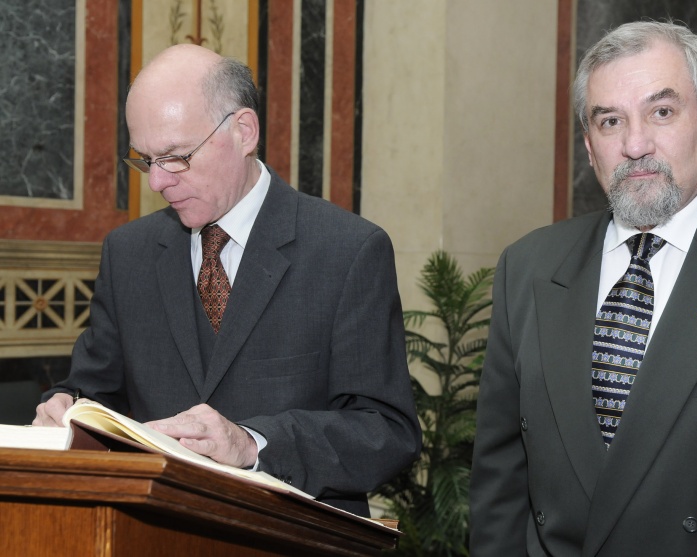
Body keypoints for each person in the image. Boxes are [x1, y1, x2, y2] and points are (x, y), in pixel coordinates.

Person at [34, 44, 421, 516]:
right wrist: (65, 408)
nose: (157, 182)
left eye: (176, 157)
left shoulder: (348, 250)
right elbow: (94, 393)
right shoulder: (128, 253)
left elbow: (386, 431)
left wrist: (254, 443)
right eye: (145, 160)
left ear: (244, 131)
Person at [470, 20, 697, 556]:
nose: (635, 143)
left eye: (661, 112)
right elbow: (499, 492)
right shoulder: (528, 267)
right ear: (588, 143)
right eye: (609, 121)